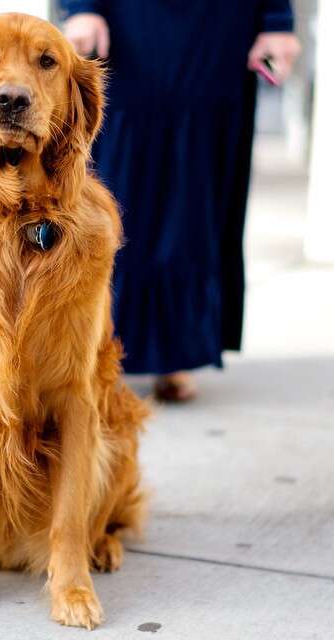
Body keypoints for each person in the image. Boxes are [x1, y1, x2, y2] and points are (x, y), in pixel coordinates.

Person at [60, 1, 301, 401]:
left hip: (217, 26)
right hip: (125, 19)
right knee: (114, 176)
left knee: (195, 183)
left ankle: (177, 348)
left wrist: (278, 19)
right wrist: (81, 6)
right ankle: (96, 344)